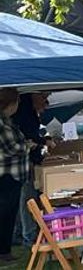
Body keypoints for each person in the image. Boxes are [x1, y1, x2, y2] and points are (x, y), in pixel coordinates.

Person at [11, 92, 47, 249]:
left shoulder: (28, 112)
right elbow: (23, 140)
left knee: (24, 198)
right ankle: (29, 236)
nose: (47, 101)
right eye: (44, 96)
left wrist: (42, 141)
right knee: (27, 198)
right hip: (23, 162)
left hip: (27, 160)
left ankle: (20, 234)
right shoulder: (21, 115)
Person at [0, 89, 26, 266]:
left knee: (9, 216)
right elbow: (12, 148)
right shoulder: (2, 125)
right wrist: (27, 146)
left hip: (13, 176)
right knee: (4, 215)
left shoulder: (7, 121)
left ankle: (5, 251)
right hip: (7, 176)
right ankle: (2, 253)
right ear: (11, 104)